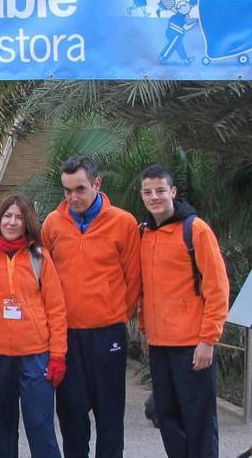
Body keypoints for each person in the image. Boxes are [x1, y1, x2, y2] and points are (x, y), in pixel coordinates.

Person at [41, 156, 141, 458]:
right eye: (67, 190)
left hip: (107, 334)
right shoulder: (52, 223)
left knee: (110, 415)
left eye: (80, 189)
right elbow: (44, 276)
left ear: (97, 184)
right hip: (66, 336)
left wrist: (112, 314)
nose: (73, 197)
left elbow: (133, 278)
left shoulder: (123, 223)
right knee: (71, 416)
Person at [0, 194, 67, 458]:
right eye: (8, 215)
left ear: (27, 222)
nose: (12, 222)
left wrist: (57, 356)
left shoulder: (40, 258)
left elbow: (56, 310)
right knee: (2, 430)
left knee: (40, 428)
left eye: (19, 217)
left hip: (36, 357)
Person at [138, 164, 229, 458]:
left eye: (160, 191)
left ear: (173, 192)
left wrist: (208, 340)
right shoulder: (144, 234)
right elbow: (145, 289)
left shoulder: (196, 230)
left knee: (199, 420)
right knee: (166, 416)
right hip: (159, 344)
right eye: (148, 192)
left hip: (192, 345)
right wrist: (144, 330)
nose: (154, 197)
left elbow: (217, 288)